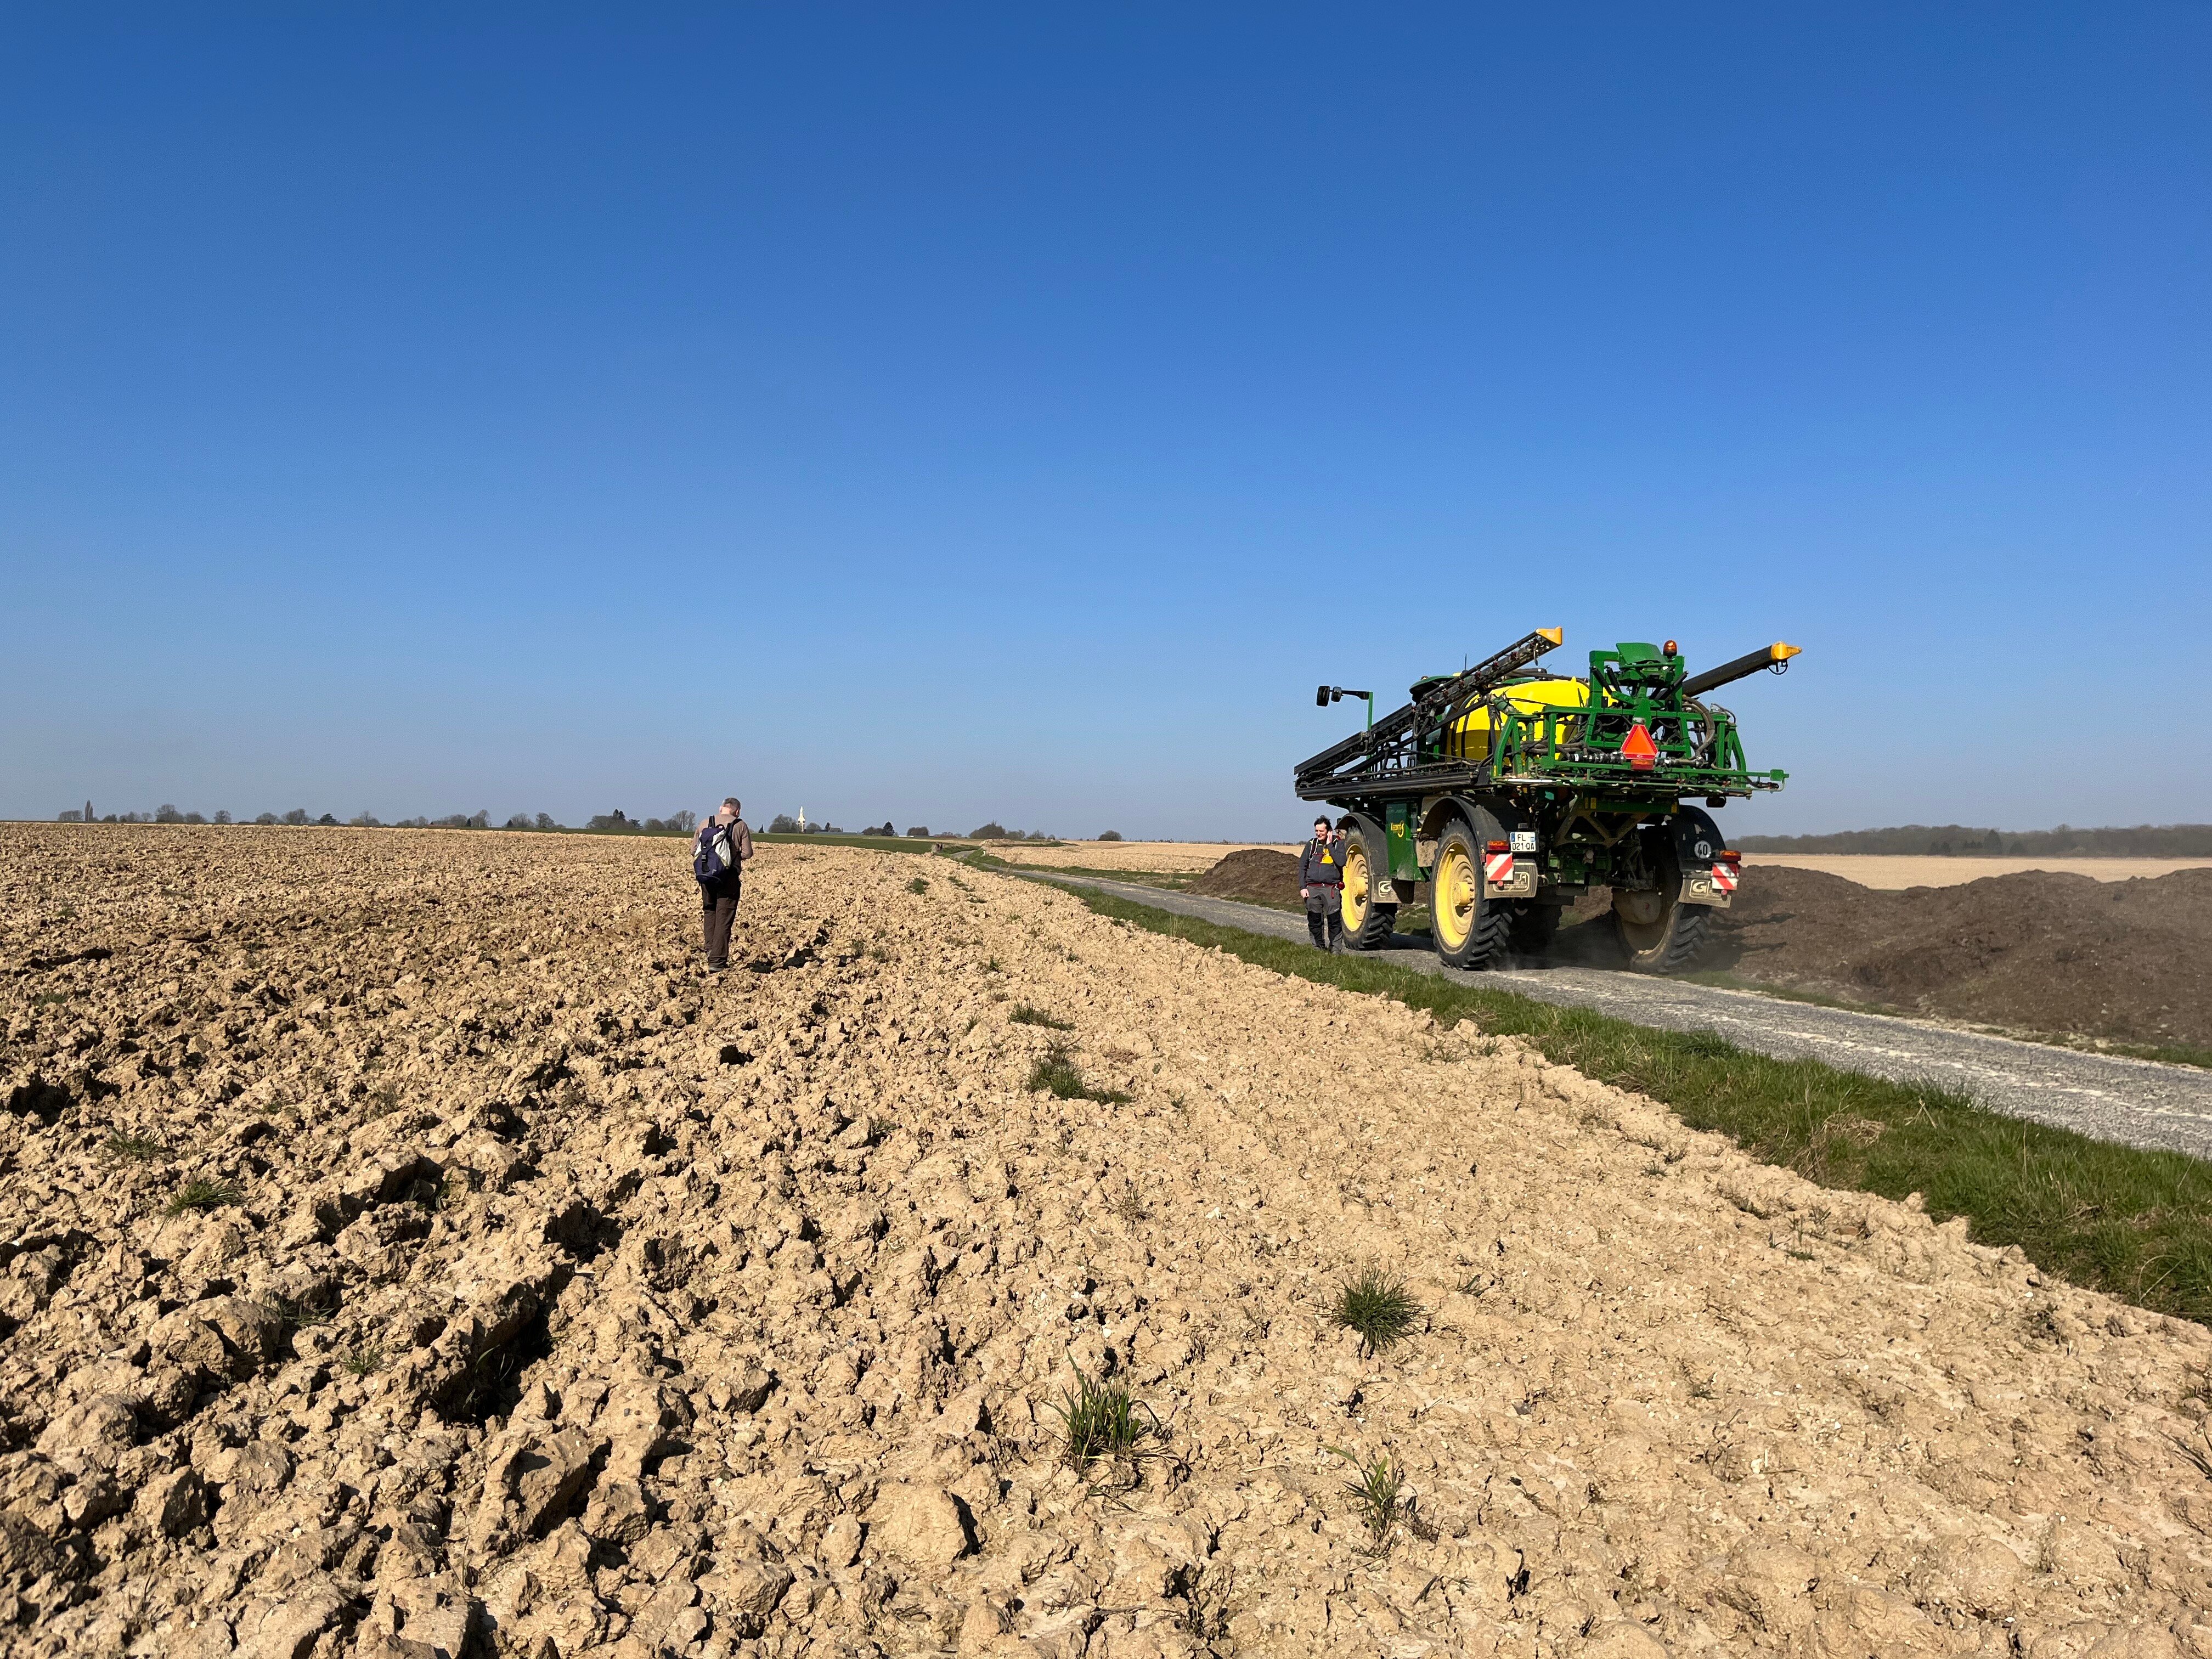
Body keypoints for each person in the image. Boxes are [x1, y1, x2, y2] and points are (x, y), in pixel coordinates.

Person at [693, 798, 755, 970]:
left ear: (721, 809)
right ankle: (718, 961)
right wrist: (729, 859)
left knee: (709, 911)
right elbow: (748, 853)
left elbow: (694, 851)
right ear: (737, 811)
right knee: (724, 917)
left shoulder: (705, 823)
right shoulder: (739, 825)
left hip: (706, 876)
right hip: (728, 878)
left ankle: (709, 949)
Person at [1299, 815, 1347, 950]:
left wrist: (1330, 845)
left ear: (1329, 831)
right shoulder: (1312, 844)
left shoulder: (1338, 844)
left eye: (1322, 831)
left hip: (1331, 890)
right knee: (1314, 921)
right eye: (1317, 831)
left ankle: (1335, 949)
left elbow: (1341, 861)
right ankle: (1318, 948)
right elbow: (1303, 866)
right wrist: (1303, 887)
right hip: (1312, 889)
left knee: (1334, 921)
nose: (1319, 834)